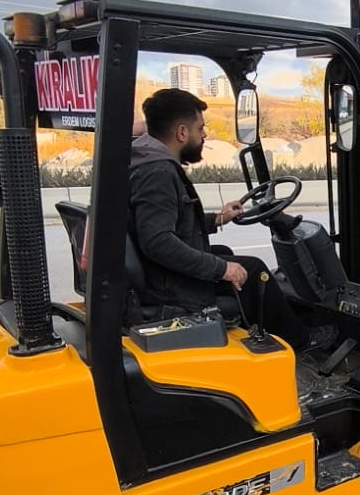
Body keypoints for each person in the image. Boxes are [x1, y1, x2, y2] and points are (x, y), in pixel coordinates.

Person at [129, 87, 314, 351]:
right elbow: (158, 242)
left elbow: (172, 220)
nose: (204, 135)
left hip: (155, 275)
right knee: (253, 270)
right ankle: (299, 342)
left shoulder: (144, 160)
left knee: (223, 251)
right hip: (167, 289)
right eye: (200, 128)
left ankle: (259, 329)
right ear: (181, 132)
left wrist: (218, 218)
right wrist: (222, 269)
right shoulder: (158, 172)